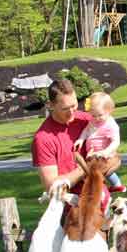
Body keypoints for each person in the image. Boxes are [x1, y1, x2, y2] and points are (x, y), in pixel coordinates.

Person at [32, 79, 119, 211]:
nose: (72, 112)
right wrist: (85, 169)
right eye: (65, 108)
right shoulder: (43, 139)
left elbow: (116, 158)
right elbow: (52, 187)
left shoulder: (88, 120)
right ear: (50, 105)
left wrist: (111, 161)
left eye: (74, 105)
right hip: (70, 211)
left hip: (100, 204)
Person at [74, 91, 127, 193]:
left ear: (110, 111)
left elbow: (116, 141)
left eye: (100, 115)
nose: (97, 118)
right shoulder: (92, 121)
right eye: (93, 115)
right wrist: (81, 139)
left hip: (104, 155)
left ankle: (117, 185)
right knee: (92, 173)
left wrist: (106, 152)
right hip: (92, 154)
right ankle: (101, 189)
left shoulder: (111, 125)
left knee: (106, 172)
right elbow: (86, 130)